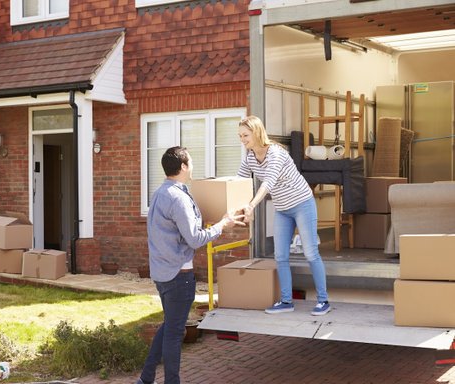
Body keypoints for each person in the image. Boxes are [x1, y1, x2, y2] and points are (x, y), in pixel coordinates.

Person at [137, 146, 244, 384]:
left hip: (163, 273)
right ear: (183, 166)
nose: (193, 166)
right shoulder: (178, 197)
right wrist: (222, 225)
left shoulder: (160, 193)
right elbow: (195, 239)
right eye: (191, 162)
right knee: (175, 333)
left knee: (169, 326)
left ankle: (146, 378)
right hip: (178, 276)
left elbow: (178, 229)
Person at [237, 115, 331, 316]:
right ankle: (286, 301)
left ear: (256, 132)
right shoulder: (250, 156)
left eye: (245, 135)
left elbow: (268, 182)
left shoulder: (276, 154)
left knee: (310, 253)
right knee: (280, 256)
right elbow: (239, 181)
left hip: (302, 204)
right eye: (240, 136)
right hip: (282, 208)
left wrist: (251, 205)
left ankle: (323, 301)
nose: (242, 139)